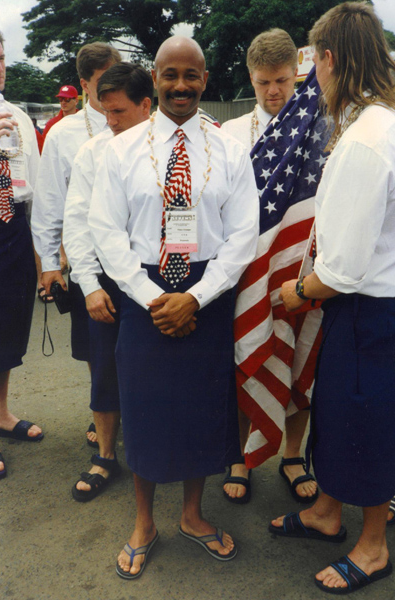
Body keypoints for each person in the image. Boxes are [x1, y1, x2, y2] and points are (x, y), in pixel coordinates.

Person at [88, 35, 259, 578]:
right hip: (146, 294)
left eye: (192, 75)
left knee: (201, 411)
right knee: (144, 409)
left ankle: (192, 514)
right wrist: (154, 297)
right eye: (170, 75)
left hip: (205, 295)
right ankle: (144, 522)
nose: (181, 86)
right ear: (155, 79)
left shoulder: (230, 150)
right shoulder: (120, 150)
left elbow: (243, 235)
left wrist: (196, 297)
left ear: (205, 79)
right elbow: (105, 232)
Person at [270, 2, 395, 594]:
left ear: (329, 59)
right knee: (339, 415)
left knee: (365, 422)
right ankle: (325, 511)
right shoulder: (380, 123)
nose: (310, 74)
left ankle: (371, 548)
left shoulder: (365, 139)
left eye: (311, 61)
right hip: (370, 307)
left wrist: (293, 293)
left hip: (368, 308)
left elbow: (340, 268)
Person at [221, 29, 318, 505]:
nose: (273, 92)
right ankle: (239, 455)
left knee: (301, 359)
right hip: (246, 271)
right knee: (245, 355)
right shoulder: (232, 132)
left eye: (282, 80)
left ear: (297, 75)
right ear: (251, 79)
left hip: (301, 271)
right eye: (263, 83)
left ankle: (294, 455)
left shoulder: (321, 125)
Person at [63, 62, 153, 501]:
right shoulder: (92, 152)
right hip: (106, 282)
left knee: (157, 368)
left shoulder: (168, 148)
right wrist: (88, 284)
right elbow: (76, 221)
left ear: (145, 105)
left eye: (117, 112)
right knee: (105, 369)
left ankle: (153, 451)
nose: (110, 122)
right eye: (104, 113)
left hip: (158, 278)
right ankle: (105, 455)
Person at [31, 42, 121, 446]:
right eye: (102, 82)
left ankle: (127, 411)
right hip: (87, 259)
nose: (111, 89)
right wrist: (50, 263)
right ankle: (101, 412)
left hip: (132, 257)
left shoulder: (138, 119)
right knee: (94, 347)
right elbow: (49, 202)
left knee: (131, 344)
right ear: (84, 84)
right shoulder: (63, 134)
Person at [0, 29, 42, 480]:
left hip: (14, 225)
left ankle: (1, 412)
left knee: (8, 324)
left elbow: (35, 184)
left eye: (2, 57)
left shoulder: (20, 116)